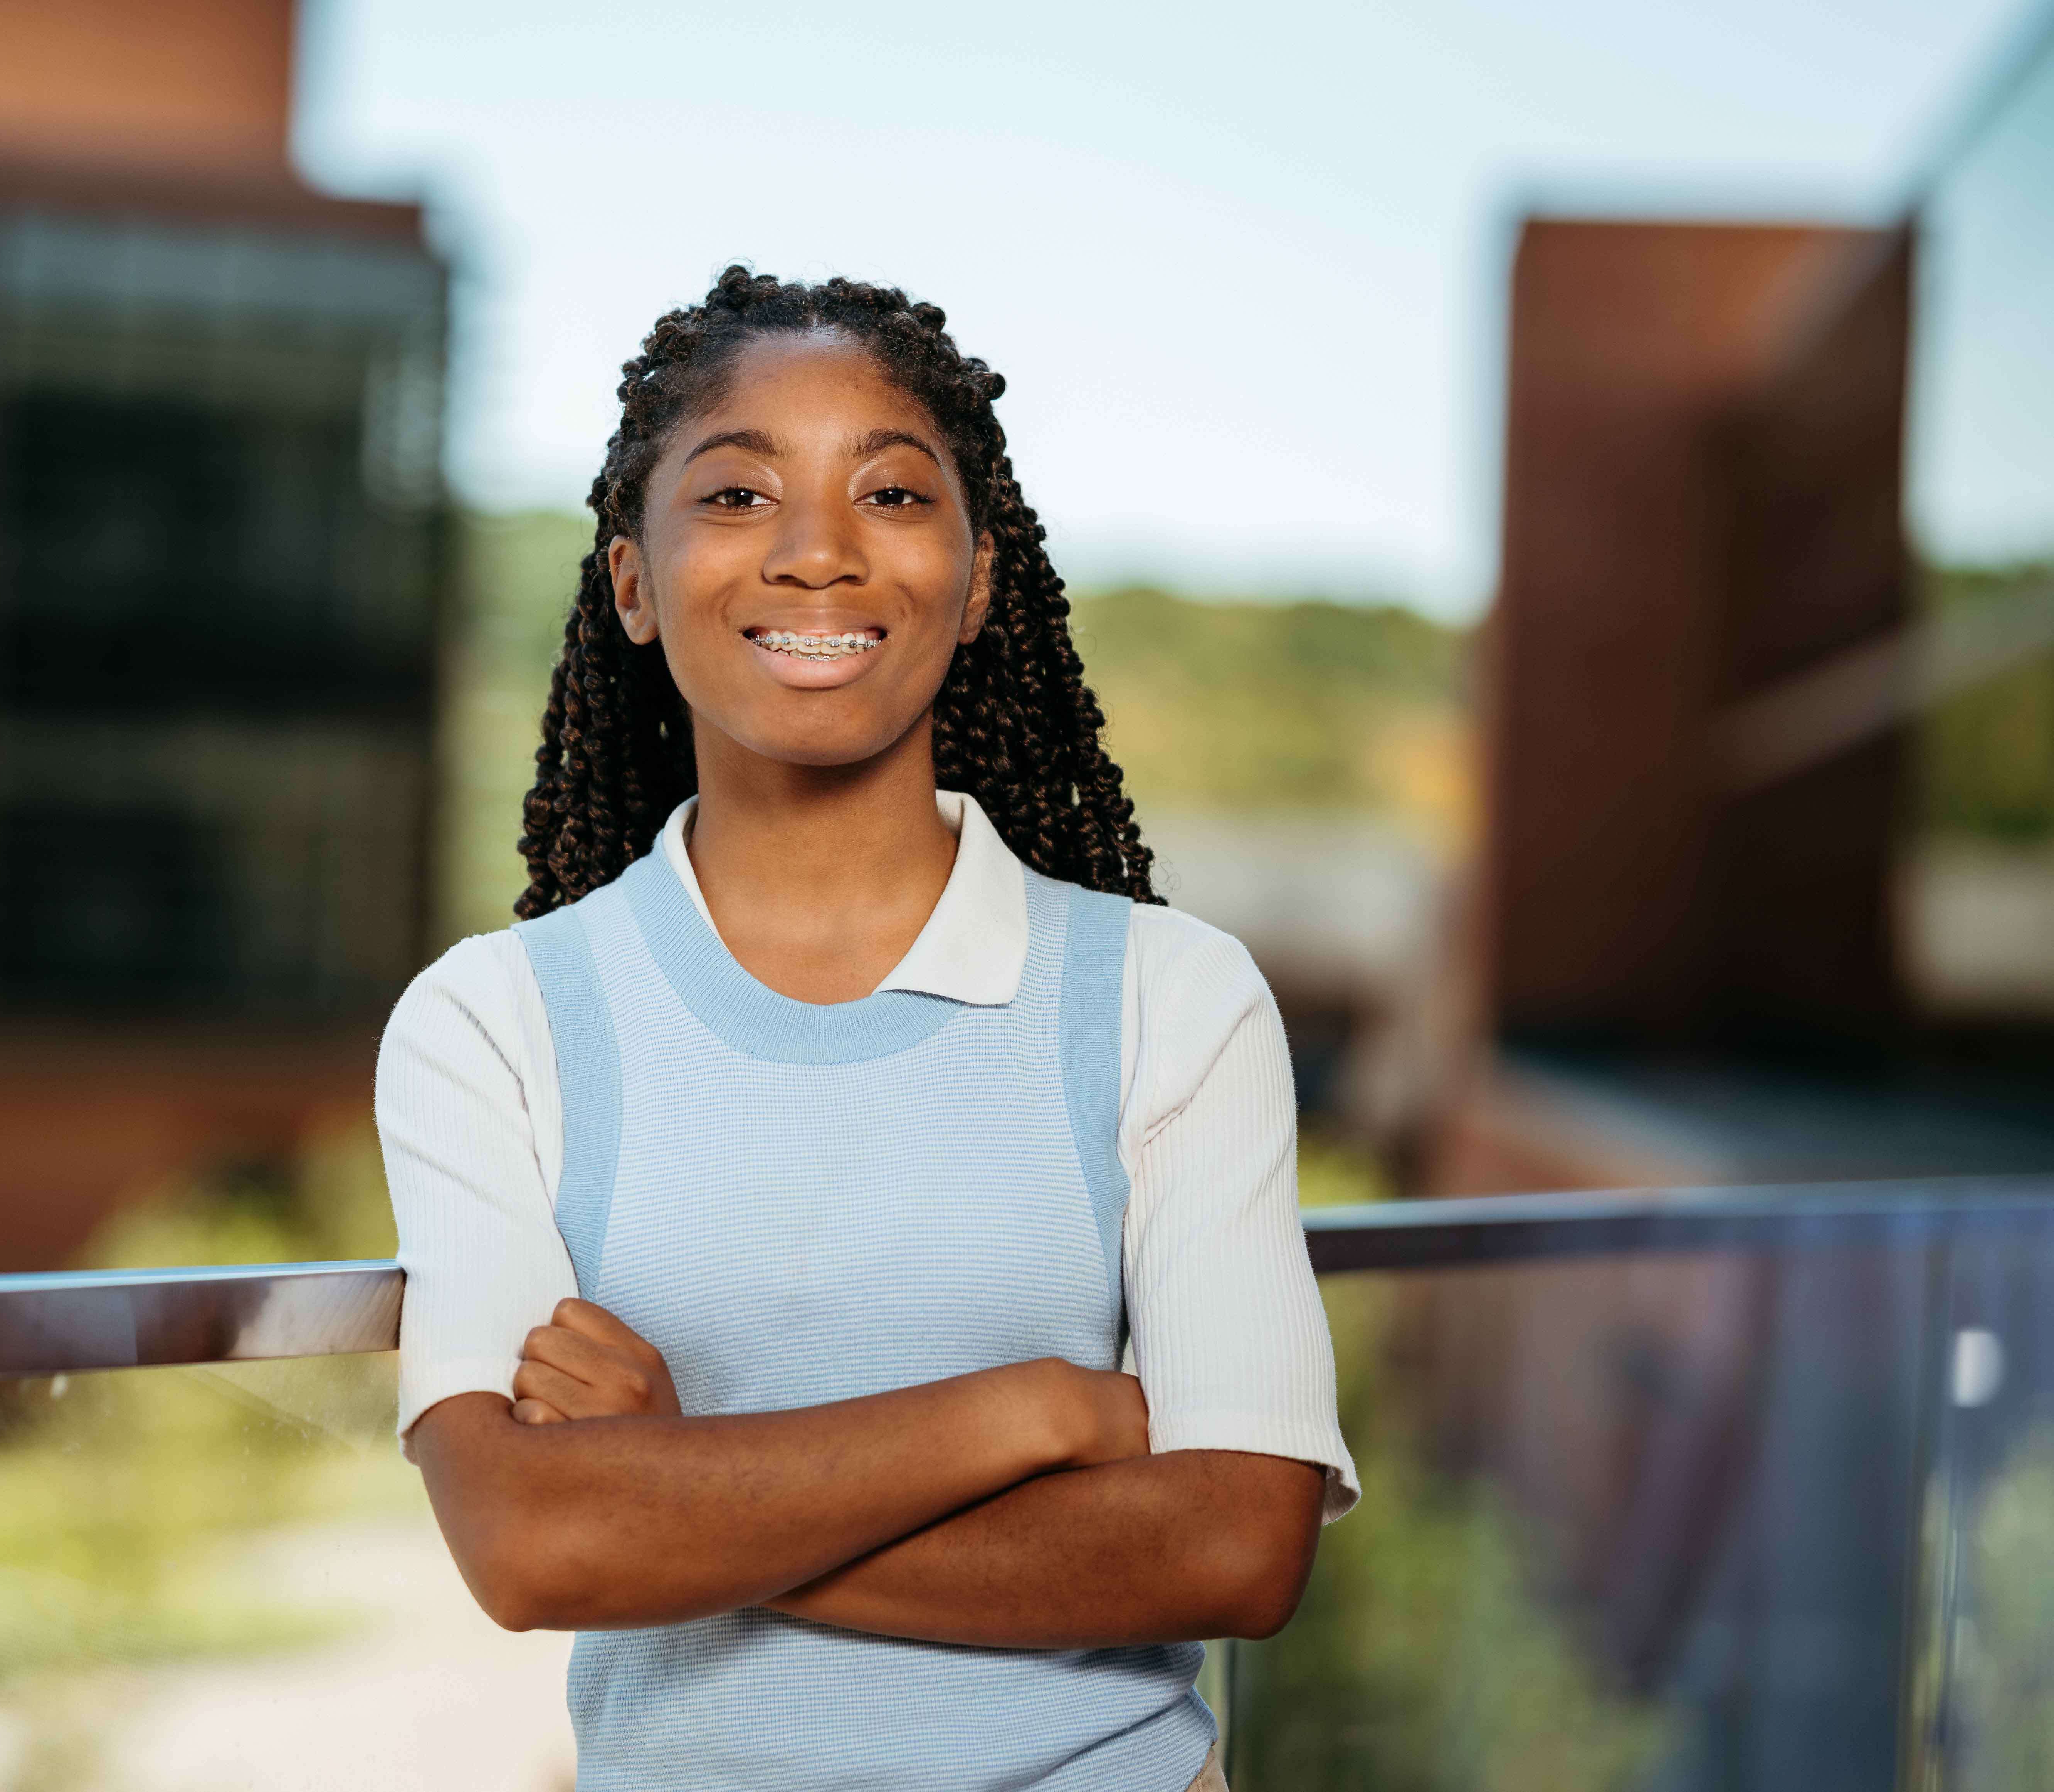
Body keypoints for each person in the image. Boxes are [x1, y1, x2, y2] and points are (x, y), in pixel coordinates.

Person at [376, 267, 1358, 1792]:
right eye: (739, 490)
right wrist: (1029, 1411)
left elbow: (1236, 1541)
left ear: (975, 584)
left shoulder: (1176, 998)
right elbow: (529, 1540)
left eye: (892, 491)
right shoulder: (492, 1025)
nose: (819, 551)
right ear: (632, 579)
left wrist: (684, 1477)